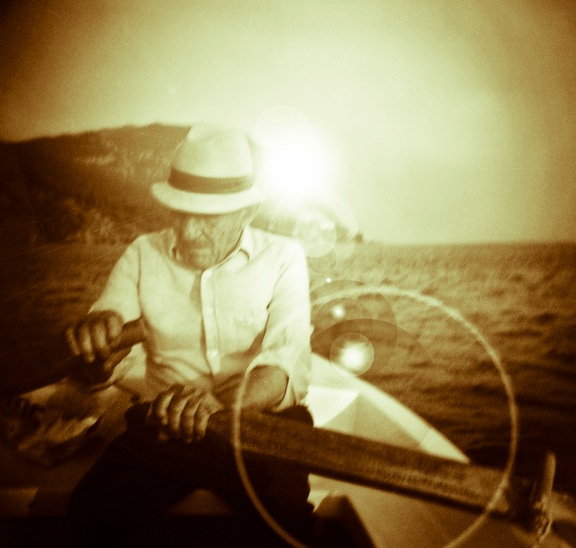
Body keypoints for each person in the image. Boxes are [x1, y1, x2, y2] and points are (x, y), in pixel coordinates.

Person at [64, 124, 315, 546]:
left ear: (247, 212)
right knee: (88, 516)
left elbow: (285, 360)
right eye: (180, 212)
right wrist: (98, 348)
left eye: (208, 217)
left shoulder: (284, 257)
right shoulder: (142, 253)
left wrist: (220, 404)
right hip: (164, 429)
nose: (188, 232)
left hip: (258, 426)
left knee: (287, 531)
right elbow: (109, 330)